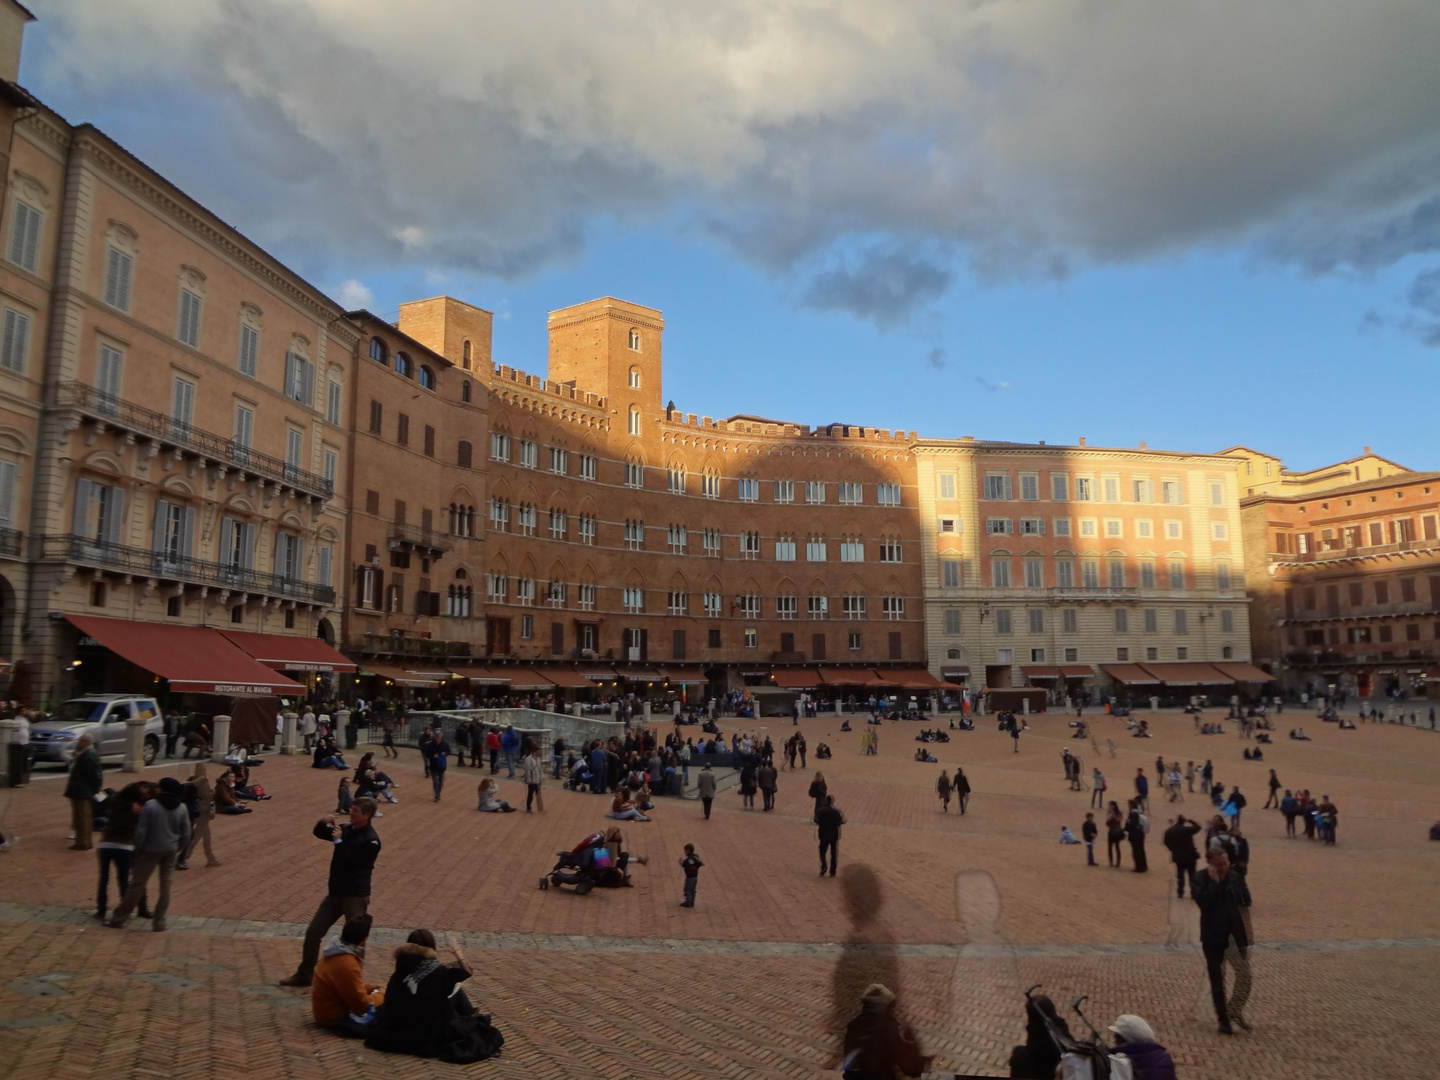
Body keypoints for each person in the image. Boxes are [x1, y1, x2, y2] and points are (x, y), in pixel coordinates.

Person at [279, 797, 382, 988]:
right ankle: (304, 975)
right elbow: (320, 833)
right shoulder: (347, 829)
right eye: (352, 808)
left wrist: (339, 842)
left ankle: (355, 981)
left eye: (355, 810)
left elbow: (355, 864)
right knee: (313, 933)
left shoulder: (372, 841)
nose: (351, 812)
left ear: (366, 815)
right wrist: (323, 822)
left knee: (356, 940)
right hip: (335, 894)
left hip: (355, 896)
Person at [364, 930, 504, 1063]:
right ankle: (474, 1020)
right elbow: (465, 971)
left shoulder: (400, 969)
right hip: (422, 1034)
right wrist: (457, 952)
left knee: (447, 987)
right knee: (455, 987)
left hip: (394, 1027)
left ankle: (472, 1018)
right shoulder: (438, 972)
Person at [106, 777, 191, 932]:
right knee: (166, 887)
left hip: (150, 850)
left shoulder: (151, 806)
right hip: (170, 850)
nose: (156, 789)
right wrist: (178, 848)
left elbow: (141, 832)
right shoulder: (182, 808)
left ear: (163, 789)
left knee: (137, 885)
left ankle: (119, 918)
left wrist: (139, 849)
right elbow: (186, 833)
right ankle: (159, 922)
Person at [1192, 847, 1251, 1034]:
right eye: (1218, 864)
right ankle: (1223, 1019)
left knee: (1245, 976)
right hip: (1212, 937)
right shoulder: (1200, 878)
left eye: (1225, 863)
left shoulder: (1234, 876)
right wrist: (1215, 883)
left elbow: (1241, 903)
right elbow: (1203, 903)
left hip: (1233, 935)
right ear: (1209, 863)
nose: (1223, 867)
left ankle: (1233, 1009)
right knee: (1218, 980)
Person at [311, 914, 384, 1032]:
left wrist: (371, 987)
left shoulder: (334, 953)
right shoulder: (347, 963)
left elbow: (347, 985)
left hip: (324, 1013)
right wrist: (382, 995)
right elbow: (361, 1005)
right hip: (335, 1017)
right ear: (364, 939)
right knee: (384, 1016)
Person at [839, 983, 927, 1079]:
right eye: (892, 1006)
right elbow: (911, 1069)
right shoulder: (888, 1026)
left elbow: (848, 1061)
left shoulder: (854, 1025)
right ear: (887, 1006)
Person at [95, 781, 154, 923]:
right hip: (125, 846)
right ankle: (127, 909)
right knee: (127, 879)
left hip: (106, 844)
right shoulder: (139, 808)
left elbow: (98, 796)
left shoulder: (114, 799)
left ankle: (101, 909)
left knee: (104, 878)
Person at [65, 733, 104, 851]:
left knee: (82, 817)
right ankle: (86, 841)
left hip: (82, 790)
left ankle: (82, 842)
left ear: (85, 742)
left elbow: (94, 775)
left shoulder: (88, 755)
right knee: (84, 817)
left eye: (81, 740)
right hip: (84, 790)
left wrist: (94, 788)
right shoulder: (88, 754)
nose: (79, 743)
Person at [1108, 1014, 1177, 1080]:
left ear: (1123, 1039)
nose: (1115, 1039)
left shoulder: (1118, 1062)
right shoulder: (1164, 1058)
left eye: (1117, 1036)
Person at [177, 762, 220, 870]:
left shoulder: (191, 780)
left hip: (197, 812)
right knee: (198, 837)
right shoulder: (203, 781)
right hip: (202, 812)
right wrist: (211, 793)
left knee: (202, 836)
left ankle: (210, 859)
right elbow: (207, 796)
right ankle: (183, 857)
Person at [1163, 815, 1201, 898]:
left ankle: (1180, 892)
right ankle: (1193, 892)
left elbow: (1165, 842)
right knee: (1192, 874)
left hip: (1178, 856)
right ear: (1183, 821)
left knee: (1180, 874)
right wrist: (1190, 821)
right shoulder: (1187, 830)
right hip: (1190, 855)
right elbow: (1198, 827)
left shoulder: (1170, 830)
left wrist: (1172, 849)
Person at [815, 794, 845, 877]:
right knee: (833, 853)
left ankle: (823, 866)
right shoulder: (836, 812)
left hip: (823, 834)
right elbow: (841, 821)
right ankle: (833, 870)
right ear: (832, 802)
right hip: (834, 835)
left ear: (825, 801)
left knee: (822, 851)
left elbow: (815, 819)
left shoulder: (820, 811)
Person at [1124, 798, 1148, 873]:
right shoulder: (1139, 811)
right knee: (1141, 850)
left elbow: (1132, 824)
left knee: (1136, 851)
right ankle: (1144, 866)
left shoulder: (1133, 813)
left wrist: (1127, 826)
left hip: (1135, 835)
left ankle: (1138, 867)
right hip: (1141, 833)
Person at [521, 744, 544, 812]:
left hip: (538, 779)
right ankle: (529, 807)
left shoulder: (538, 759)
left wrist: (541, 777)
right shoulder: (528, 759)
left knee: (538, 794)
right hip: (532, 780)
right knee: (530, 794)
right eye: (538, 751)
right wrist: (528, 780)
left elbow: (540, 769)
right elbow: (527, 770)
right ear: (535, 751)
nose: (539, 752)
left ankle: (540, 807)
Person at [679, 843, 703, 908]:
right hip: (695, 876)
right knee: (693, 890)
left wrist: (680, 862)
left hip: (689, 877)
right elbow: (700, 863)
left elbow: (684, 865)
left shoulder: (688, 860)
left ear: (688, 850)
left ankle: (688, 902)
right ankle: (692, 902)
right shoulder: (696, 857)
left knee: (687, 889)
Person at [1105, 800, 1125, 868]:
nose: (1109, 807)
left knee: (1117, 846)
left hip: (1117, 832)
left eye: (1110, 805)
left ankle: (1118, 862)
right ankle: (1111, 861)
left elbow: (1118, 820)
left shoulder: (1119, 813)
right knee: (1110, 847)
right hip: (1111, 831)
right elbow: (1107, 823)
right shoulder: (1109, 813)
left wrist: (1113, 814)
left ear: (1114, 806)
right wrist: (1109, 816)